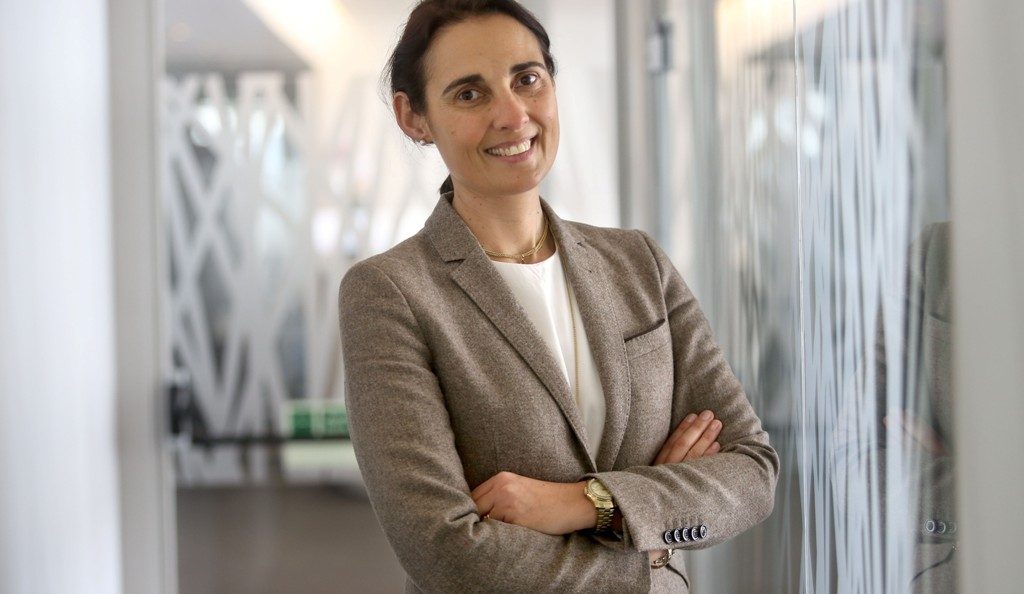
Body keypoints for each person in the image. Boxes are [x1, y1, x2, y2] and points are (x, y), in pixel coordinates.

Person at [338, 1, 779, 591]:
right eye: (469, 93)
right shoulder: (390, 292)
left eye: (527, 79)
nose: (512, 114)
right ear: (414, 117)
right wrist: (648, 546)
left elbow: (752, 471)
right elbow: (445, 552)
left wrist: (590, 503)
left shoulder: (638, 263)